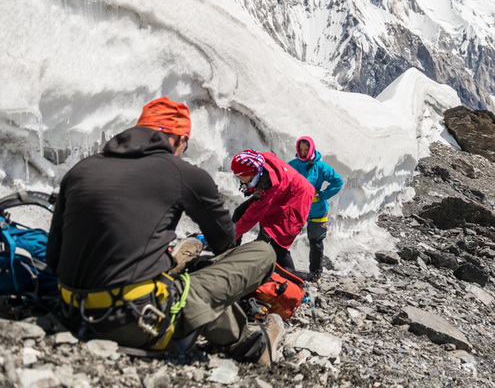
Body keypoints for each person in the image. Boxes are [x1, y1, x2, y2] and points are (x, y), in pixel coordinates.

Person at [47, 97, 284, 364]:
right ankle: (250, 346)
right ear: (178, 139)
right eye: (185, 143)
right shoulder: (183, 173)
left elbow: (54, 256)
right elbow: (225, 242)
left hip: (69, 313)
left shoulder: (81, 170)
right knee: (261, 253)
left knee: (176, 275)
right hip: (139, 321)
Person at [230, 149, 314, 273]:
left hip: (298, 198)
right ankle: (229, 254)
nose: (239, 179)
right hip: (282, 192)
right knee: (239, 212)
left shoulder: (268, 184)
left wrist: (227, 237)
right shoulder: (258, 163)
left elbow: (251, 218)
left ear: (251, 172)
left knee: (278, 244)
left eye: (241, 176)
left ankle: (295, 282)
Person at [288, 136, 344, 282]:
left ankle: (315, 274)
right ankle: (288, 272)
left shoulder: (320, 166)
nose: (303, 152)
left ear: (312, 148)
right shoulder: (292, 165)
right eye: (300, 149)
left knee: (316, 242)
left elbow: (338, 182)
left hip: (317, 210)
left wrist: (322, 194)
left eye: (306, 149)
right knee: (286, 239)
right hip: (297, 209)